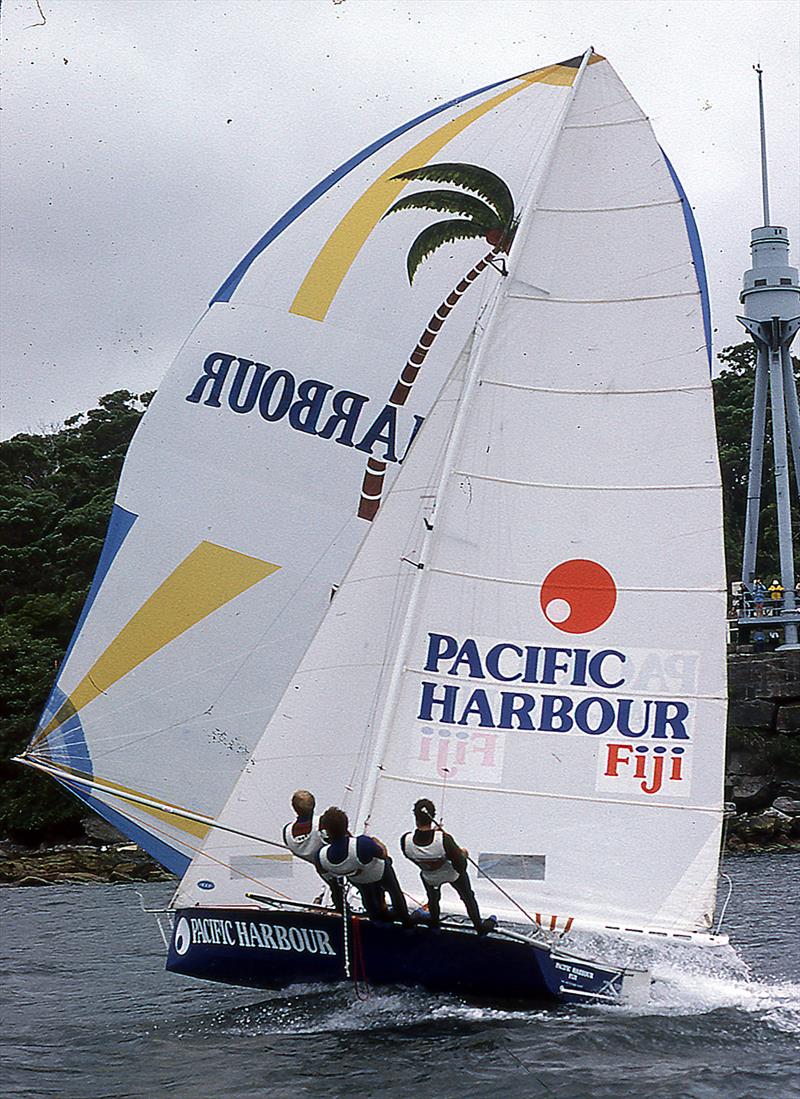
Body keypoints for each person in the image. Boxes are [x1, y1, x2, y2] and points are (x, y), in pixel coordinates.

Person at [400, 798, 494, 935]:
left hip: (429, 876)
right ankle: (479, 928)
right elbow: (461, 866)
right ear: (433, 816)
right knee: (468, 896)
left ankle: (434, 924)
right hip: (452, 874)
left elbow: (410, 856)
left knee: (433, 899)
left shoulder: (405, 840)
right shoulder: (444, 839)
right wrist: (463, 854)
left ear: (415, 816)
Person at [316, 806, 409, 925]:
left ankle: (376, 920)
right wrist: (377, 842)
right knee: (394, 889)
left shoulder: (321, 856)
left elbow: (329, 877)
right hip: (379, 874)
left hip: (358, 879)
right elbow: (382, 853)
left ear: (327, 832)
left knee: (367, 895)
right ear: (346, 826)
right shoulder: (362, 843)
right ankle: (405, 921)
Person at [282, 789, 342, 910]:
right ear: (314, 805)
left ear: (294, 808)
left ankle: (340, 905)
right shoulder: (322, 823)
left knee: (335, 887)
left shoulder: (287, 831)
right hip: (333, 860)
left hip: (320, 866)